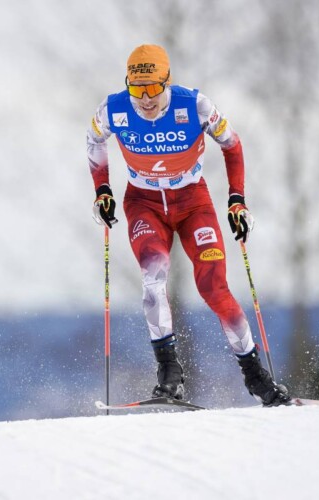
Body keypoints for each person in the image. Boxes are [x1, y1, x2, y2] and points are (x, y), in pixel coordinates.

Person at [87, 44, 290, 407]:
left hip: (194, 202)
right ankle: (169, 374)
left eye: (153, 88)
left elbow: (233, 145)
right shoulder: (113, 109)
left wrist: (236, 199)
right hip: (144, 203)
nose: (145, 99)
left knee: (213, 284)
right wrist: (102, 190)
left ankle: (255, 374)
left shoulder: (194, 105)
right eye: (137, 89)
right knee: (154, 277)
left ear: (167, 82)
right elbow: (94, 141)